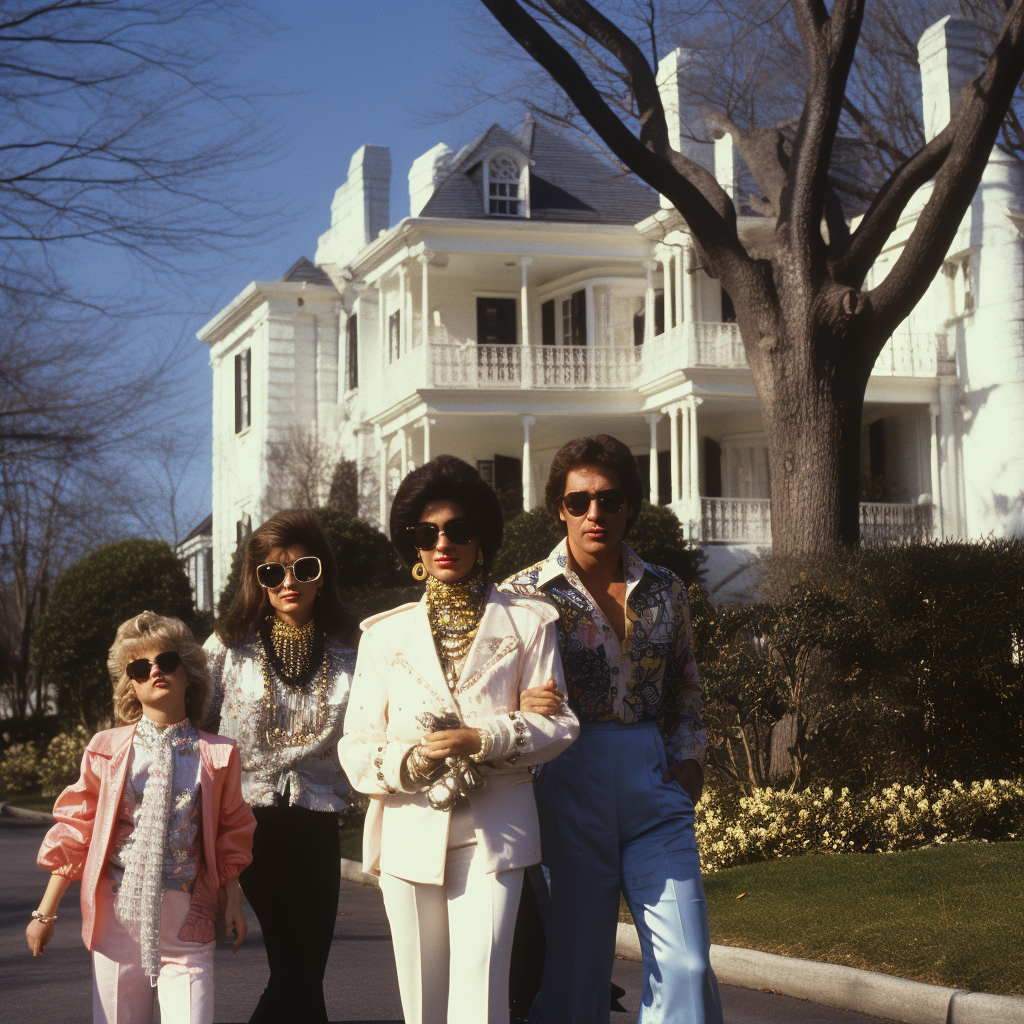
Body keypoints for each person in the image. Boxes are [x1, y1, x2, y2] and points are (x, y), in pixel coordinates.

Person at [339, 455, 579, 1024]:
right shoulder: (382, 635)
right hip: (407, 826)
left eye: (457, 530)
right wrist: (412, 759)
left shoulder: (530, 623)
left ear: (480, 539)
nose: (442, 542)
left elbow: (560, 724)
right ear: (414, 546)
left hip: (497, 830)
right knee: (422, 999)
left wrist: (485, 737)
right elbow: (355, 745)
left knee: (484, 983)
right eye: (427, 533)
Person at [501, 434, 724, 1024]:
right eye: (579, 502)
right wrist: (520, 705)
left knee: (689, 965)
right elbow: (491, 699)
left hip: (656, 782)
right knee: (578, 976)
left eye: (609, 499)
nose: (594, 513)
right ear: (560, 508)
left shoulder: (666, 591)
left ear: (630, 507)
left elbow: (685, 687)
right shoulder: (522, 597)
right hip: (566, 780)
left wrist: (691, 763)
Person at [28, 612, 255, 1024]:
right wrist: (45, 913)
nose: (154, 671)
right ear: (131, 683)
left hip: (189, 918)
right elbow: (75, 830)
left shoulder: (219, 754)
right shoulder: (107, 748)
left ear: (188, 673)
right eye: (140, 667)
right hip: (117, 919)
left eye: (166, 661)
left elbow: (230, 833)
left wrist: (234, 900)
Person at [205, 508, 358, 1024]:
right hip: (252, 822)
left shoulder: (354, 650)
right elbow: (190, 727)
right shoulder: (228, 648)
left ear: (323, 573)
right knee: (293, 967)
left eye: (304, 568)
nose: (289, 581)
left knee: (305, 968)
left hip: (318, 819)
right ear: (258, 580)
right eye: (273, 572)